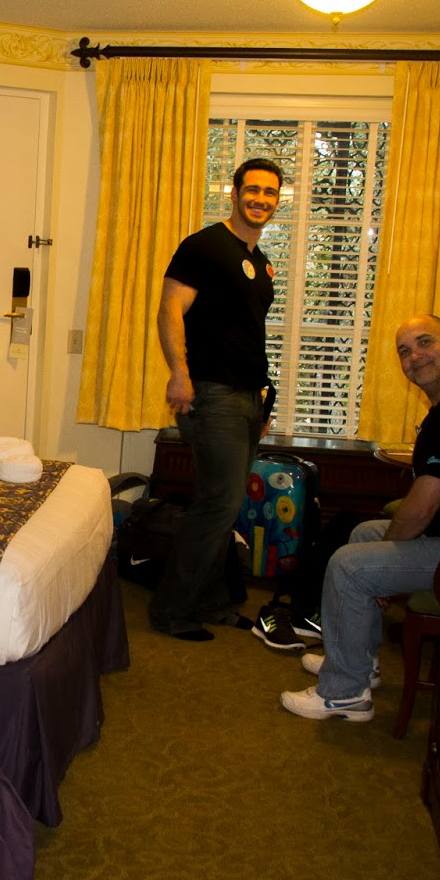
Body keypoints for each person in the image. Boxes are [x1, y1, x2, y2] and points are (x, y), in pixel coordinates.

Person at [280, 313, 440, 722]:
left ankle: (344, 695)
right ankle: (359, 662)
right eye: (405, 351)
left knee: (350, 566)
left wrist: (385, 560)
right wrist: (384, 549)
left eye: (426, 342)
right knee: (362, 533)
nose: (415, 357)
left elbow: (421, 509)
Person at [149, 157, 284, 642]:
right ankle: (171, 611)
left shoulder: (261, 262)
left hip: (246, 398)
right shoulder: (204, 246)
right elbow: (170, 309)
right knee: (217, 505)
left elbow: (246, 334)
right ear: (234, 193)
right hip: (211, 393)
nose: (261, 199)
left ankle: (208, 601)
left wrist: (261, 403)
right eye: (253, 189)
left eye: (270, 192)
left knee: (222, 506)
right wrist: (179, 373)